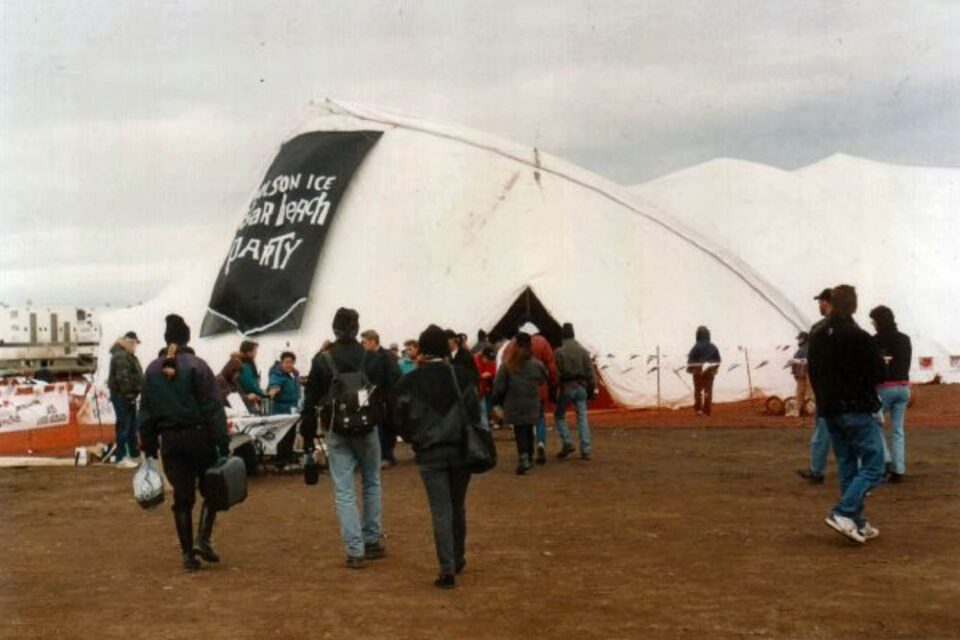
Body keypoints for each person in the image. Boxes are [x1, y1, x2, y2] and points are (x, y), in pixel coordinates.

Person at [139, 314, 230, 570]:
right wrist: (222, 442)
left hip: (170, 441)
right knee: (212, 488)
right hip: (200, 437)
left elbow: (145, 411)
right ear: (187, 338)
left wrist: (148, 445)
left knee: (182, 497)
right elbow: (213, 407)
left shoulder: (152, 370)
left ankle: (187, 555)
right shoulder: (198, 366)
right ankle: (203, 538)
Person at [301, 308, 390, 568]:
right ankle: (371, 539)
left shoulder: (322, 359)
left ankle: (355, 550)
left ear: (334, 328)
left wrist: (307, 437)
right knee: (372, 482)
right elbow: (384, 391)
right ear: (356, 328)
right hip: (367, 427)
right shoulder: (370, 357)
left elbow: (310, 400)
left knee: (344, 490)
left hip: (336, 428)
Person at [394, 324, 479, 589]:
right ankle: (458, 556)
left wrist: (415, 438)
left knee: (440, 509)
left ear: (422, 350)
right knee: (458, 505)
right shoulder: (462, 376)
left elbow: (399, 420)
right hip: (460, 450)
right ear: (445, 349)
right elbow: (475, 413)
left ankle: (447, 569)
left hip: (429, 452)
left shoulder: (409, 381)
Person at [808, 285, 885, 543]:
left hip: (829, 410)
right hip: (855, 408)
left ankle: (856, 520)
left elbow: (813, 373)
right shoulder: (859, 336)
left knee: (847, 464)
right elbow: (877, 373)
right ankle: (843, 511)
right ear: (853, 305)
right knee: (875, 465)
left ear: (830, 303)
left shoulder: (817, 334)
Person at [500, 321, 557, 464]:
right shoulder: (543, 342)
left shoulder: (512, 344)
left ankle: (525, 454)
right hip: (538, 389)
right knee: (539, 418)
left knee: (521, 424)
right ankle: (540, 443)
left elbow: (505, 364)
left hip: (517, 391)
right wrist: (553, 384)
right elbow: (551, 366)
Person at [492, 331, 548, 475]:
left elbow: (499, 386)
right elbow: (543, 379)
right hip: (532, 401)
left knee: (520, 430)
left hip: (514, 402)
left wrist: (496, 401)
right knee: (529, 429)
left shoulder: (508, 365)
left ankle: (524, 457)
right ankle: (529, 456)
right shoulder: (537, 364)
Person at [870, 305, 912, 483]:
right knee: (897, 430)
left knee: (874, 424)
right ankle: (899, 469)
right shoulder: (905, 339)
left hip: (884, 388)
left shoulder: (874, 341)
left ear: (878, 321)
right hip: (903, 387)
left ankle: (886, 459)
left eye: (873, 321)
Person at [797, 289, 835, 484]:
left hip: (827, 388)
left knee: (822, 430)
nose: (819, 305)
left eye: (820, 302)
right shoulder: (853, 326)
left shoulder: (819, 328)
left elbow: (815, 361)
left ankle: (817, 469)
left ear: (826, 303)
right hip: (845, 388)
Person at [553, 322, 596, 460]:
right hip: (581, 387)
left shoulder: (559, 352)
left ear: (562, 335)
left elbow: (556, 374)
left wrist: (554, 389)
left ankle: (567, 441)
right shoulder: (583, 351)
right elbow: (590, 372)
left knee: (559, 415)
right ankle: (586, 449)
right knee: (582, 417)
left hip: (567, 388)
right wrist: (592, 388)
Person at [361, 329, 402, 468]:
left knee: (387, 426)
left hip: (385, 397)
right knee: (379, 427)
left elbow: (394, 375)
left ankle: (387, 455)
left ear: (373, 341)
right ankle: (383, 455)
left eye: (365, 342)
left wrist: (384, 391)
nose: (363, 345)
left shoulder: (387, 356)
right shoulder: (367, 357)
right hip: (374, 397)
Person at [107, 330, 144, 468]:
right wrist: (129, 393)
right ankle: (121, 457)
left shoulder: (125, 355)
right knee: (125, 426)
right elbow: (123, 377)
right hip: (123, 395)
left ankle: (133, 455)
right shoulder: (122, 356)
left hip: (126, 395)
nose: (135, 346)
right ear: (129, 342)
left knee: (131, 426)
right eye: (134, 343)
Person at [686, 326, 720, 416]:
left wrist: (691, 369)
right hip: (709, 373)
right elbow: (718, 360)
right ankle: (707, 409)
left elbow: (691, 359)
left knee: (698, 391)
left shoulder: (696, 347)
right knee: (708, 390)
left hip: (698, 372)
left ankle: (698, 409)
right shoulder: (713, 347)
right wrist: (714, 370)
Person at [237, 340, 268, 412]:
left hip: (245, 399)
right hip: (246, 400)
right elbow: (250, 385)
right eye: (255, 351)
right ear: (248, 352)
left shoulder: (248, 364)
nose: (256, 353)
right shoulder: (244, 366)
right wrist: (264, 394)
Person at [787, 332, 810, 419]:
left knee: (810, 392)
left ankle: (813, 411)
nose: (798, 340)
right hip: (801, 374)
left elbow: (808, 361)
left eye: (799, 339)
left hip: (808, 373)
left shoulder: (808, 348)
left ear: (803, 339)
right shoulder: (802, 348)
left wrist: (795, 361)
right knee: (800, 392)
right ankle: (797, 411)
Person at [473, 346, 497, 429]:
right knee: (481, 410)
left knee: (484, 409)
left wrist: (490, 375)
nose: (488, 361)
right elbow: (474, 375)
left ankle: (485, 427)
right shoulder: (475, 360)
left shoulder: (491, 362)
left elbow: (493, 371)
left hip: (484, 389)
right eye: (487, 359)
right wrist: (482, 376)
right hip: (477, 389)